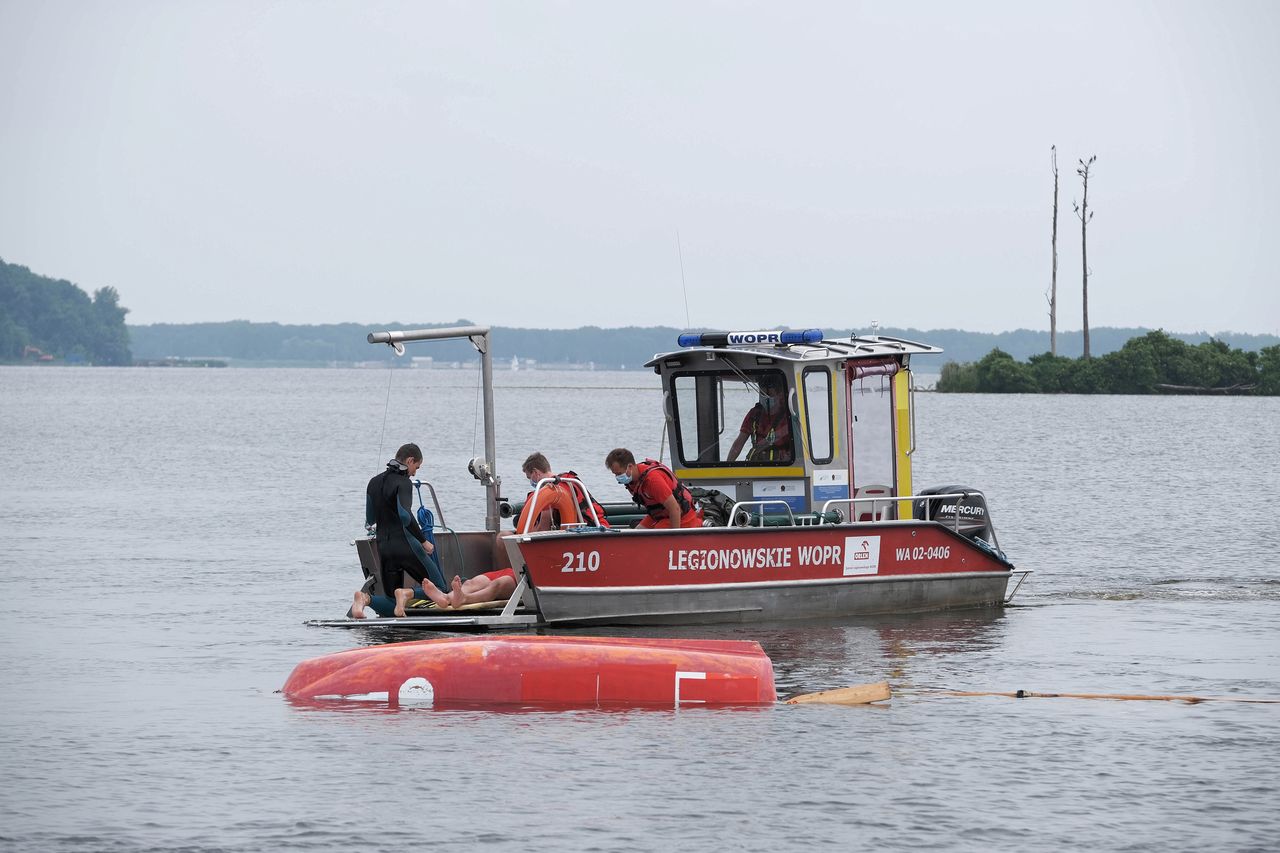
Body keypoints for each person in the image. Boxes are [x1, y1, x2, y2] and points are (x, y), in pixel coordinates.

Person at [351, 443, 446, 619]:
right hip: (406, 545)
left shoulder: (374, 482)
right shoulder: (403, 482)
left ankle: (364, 600)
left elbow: (370, 519)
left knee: (390, 602)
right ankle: (406, 594)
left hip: (384, 547)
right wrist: (423, 541)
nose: (415, 473)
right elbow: (404, 515)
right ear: (410, 460)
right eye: (416, 467)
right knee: (439, 589)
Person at [605, 448, 702, 529]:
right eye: (615, 474)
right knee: (636, 534)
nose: (617, 477)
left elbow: (675, 509)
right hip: (659, 515)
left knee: (654, 536)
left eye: (618, 473)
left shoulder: (653, 480)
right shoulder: (631, 480)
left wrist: (674, 538)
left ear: (630, 467)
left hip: (681, 517)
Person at [726, 375, 794, 463]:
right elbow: (738, 444)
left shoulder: (789, 416)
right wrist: (728, 465)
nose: (765, 397)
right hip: (756, 466)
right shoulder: (754, 414)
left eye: (769, 394)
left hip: (781, 467)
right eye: (762, 394)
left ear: (780, 395)